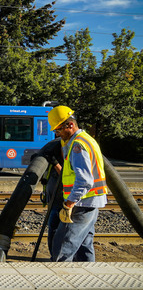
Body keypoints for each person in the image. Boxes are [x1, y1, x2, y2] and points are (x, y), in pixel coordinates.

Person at [48, 106, 108, 262]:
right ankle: (87, 279)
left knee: (62, 247)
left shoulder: (78, 146)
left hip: (81, 204)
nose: (58, 134)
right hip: (91, 203)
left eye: (59, 130)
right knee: (84, 247)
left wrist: (69, 204)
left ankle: (60, 281)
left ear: (70, 125)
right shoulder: (87, 139)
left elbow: (84, 181)